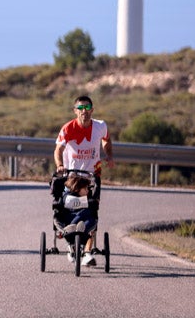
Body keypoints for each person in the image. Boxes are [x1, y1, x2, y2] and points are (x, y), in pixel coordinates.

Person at [53, 93, 113, 266]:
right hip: (72, 178)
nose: (84, 111)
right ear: (75, 111)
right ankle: (72, 246)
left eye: (87, 107)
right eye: (80, 108)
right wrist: (60, 165)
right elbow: (58, 150)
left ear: (92, 110)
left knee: (92, 211)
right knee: (69, 208)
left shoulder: (100, 126)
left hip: (92, 177)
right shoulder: (68, 129)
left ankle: (87, 252)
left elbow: (106, 140)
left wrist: (109, 155)